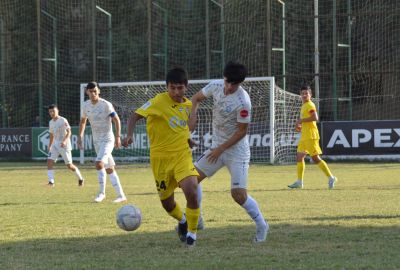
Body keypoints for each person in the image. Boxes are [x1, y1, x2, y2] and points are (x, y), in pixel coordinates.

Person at [189, 61, 269, 243]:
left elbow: (242, 131)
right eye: (227, 82)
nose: (229, 87)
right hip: (216, 148)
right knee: (191, 181)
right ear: (223, 78)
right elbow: (195, 99)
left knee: (238, 195)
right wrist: (193, 116)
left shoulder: (243, 102)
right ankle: (197, 218)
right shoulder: (216, 85)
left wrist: (220, 149)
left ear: (240, 83)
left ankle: (262, 225)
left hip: (236, 152)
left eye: (234, 84)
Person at [123, 67, 200, 247]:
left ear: (186, 87)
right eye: (172, 88)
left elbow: (188, 127)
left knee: (192, 189)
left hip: (182, 156)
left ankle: (192, 236)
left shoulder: (188, 106)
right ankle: (182, 221)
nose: (175, 92)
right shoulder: (158, 101)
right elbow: (134, 117)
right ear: (167, 87)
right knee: (167, 203)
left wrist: (188, 139)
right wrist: (129, 135)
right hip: (160, 160)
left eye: (179, 88)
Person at [78, 82, 127, 203]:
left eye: (95, 91)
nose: (93, 93)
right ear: (87, 92)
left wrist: (118, 137)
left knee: (99, 163)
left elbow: (116, 120)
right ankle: (121, 196)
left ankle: (101, 193)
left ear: (98, 91)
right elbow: (83, 121)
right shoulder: (85, 105)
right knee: (109, 168)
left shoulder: (106, 105)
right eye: (91, 91)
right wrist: (80, 136)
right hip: (97, 141)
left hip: (108, 139)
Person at [288, 85, 337, 189]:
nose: (304, 95)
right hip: (305, 136)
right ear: (300, 95)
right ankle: (299, 182)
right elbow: (307, 120)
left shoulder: (310, 105)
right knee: (299, 157)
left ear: (310, 95)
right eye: (303, 93)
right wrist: (300, 126)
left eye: (307, 93)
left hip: (311, 136)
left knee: (315, 158)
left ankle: (331, 177)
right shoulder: (304, 105)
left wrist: (300, 121)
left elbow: (315, 117)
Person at [46, 104, 84, 187]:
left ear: (57, 111)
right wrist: (50, 145)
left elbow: (69, 132)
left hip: (64, 145)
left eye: (53, 111)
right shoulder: (51, 122)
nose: (52, 113)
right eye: (50, 112)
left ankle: (80, 178)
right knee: (49, 161)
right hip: (55, 144)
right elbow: (52, 135)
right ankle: (51, 182)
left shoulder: (63, 120)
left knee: (69, 165)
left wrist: (64, 141)